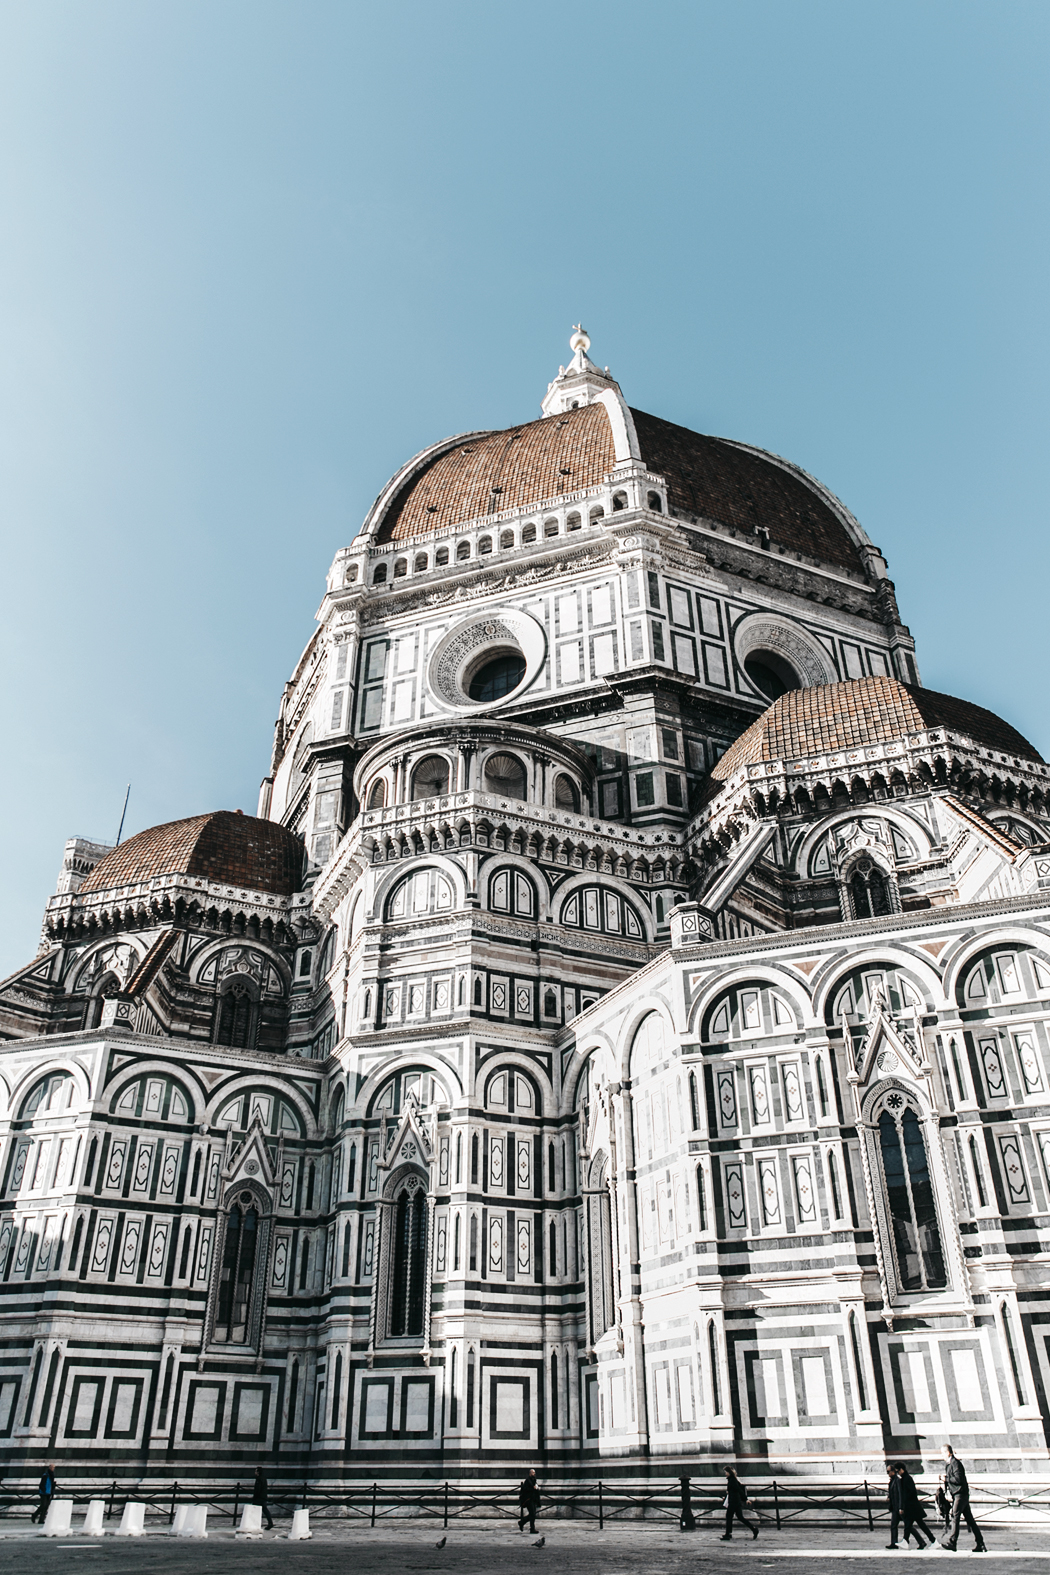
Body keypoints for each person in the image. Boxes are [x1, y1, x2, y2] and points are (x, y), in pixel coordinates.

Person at [941, 1445, 986, 1553]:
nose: (941, 1455)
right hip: (959, 1494)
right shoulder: (949, 1464)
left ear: (948, 1453)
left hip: (960, 1494)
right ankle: (980, 1543)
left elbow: (958, 1479)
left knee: (955, 1516)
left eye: (942, 1452)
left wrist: (946, 1479)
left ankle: (952, 1542)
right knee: (970, 1520)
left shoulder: (955, 1463)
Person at [895, 1464, 933, 1549]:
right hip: (911, 1507)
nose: (897, 1473)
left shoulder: (907, 1479)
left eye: (897, 1471)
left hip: (912, 1507)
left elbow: (908, 1494)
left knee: (915, 1525)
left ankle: (932, 1540)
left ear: (901, 1469)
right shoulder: (905, 1479)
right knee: (911, 1525)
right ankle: (907, 1541)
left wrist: (903, 1506)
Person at [719, 1466, 759, 1541]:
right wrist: (726, 1497)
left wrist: (745, 1499)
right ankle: (754, 1529)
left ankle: (728, 1534)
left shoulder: (732, 1480)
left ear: (729, 1472)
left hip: (733, 1501)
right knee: (740, 1517)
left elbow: (739, 1490)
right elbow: (734, 1490)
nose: (725, 1474)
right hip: (735, 1501)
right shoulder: (733, 1480)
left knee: (729, 1516)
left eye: (726, 1472)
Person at [517, 1469, 540, 1534]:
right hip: (529, 1500)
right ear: (530, 1474)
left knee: (532, 1515)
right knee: (532, 1514)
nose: (534, 1474)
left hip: (533, 1500)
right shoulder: (527, 1481)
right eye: (533, 1473)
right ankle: (532, 1528)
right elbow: (525, 1489)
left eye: (534, 1472)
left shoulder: (534, 1480)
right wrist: (533, 1488)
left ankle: (522, 1522)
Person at [252, 1467, 274, 1531]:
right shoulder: (263, 1478)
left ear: (258, 1472)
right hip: (263, 1497)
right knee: (265, 1510)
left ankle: (255, 1524)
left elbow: (257, 1489)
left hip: (259, 1498)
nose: (255, 1472)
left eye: (256, 1471)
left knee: (255, 1510)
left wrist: (255, 1497)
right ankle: (270, 1523)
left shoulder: (259, 1479)